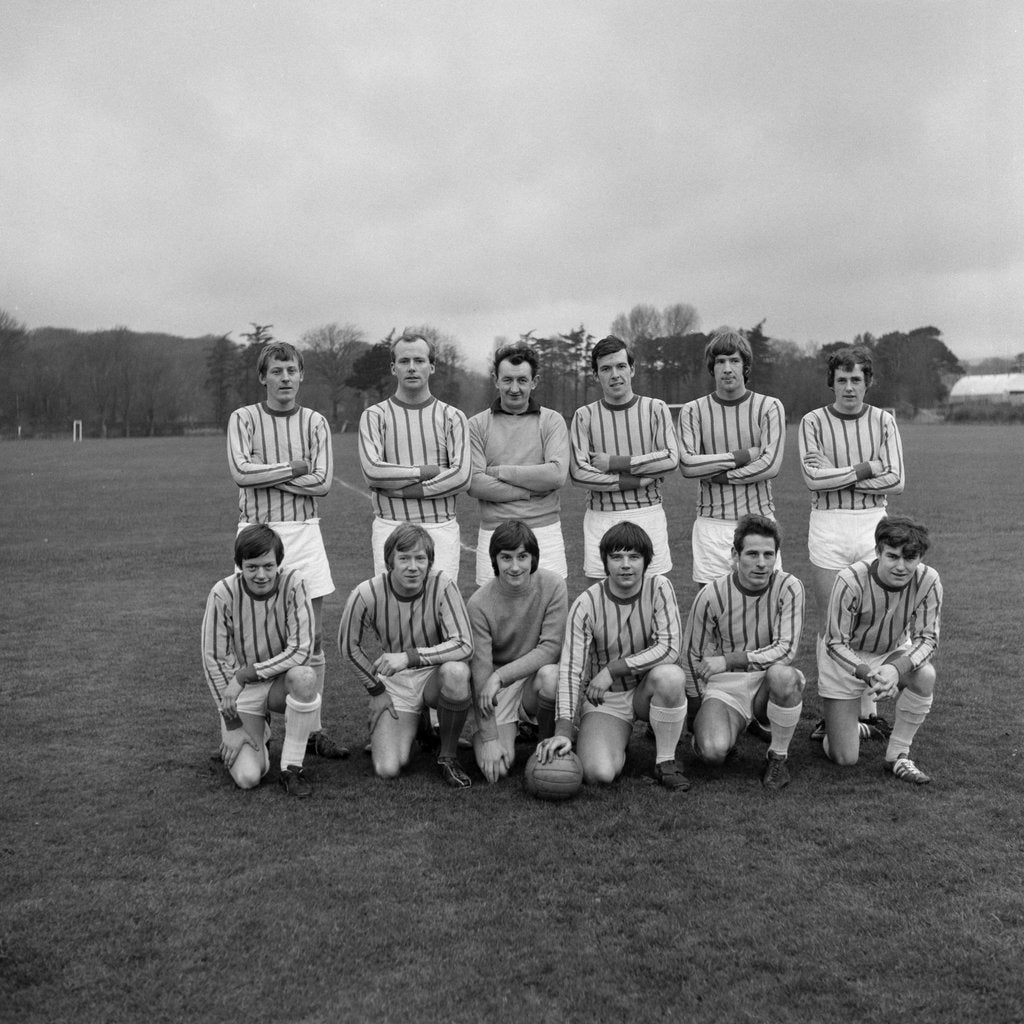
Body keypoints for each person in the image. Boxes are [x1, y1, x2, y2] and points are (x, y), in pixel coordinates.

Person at [227, 340, 347, 761]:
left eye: (291, 370)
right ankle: (258, 729)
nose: (285, 378)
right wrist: (296, 467)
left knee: (310, 637)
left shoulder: (315, 422)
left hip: (303, 532)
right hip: (257, 533)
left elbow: (324, 483)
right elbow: (240, 473)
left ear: (301, 375)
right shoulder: (243, 418)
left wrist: (266, 473)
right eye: (276, 371)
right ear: (263, 377)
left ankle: (311, 730)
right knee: (255, 638)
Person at [799, 346, 906, 738]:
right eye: (841, 380)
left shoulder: (882, 422)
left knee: (871, 616)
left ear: (868, 383)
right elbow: (812, 479)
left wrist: (839, 475)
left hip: (871, 524)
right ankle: (833, 711)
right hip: (827, 524)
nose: (848, 387)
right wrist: (866, 468)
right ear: (832, 382)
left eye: (856, 380)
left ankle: (867, 706)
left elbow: (896, 478)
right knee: (832, 623)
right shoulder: (812, 421)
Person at [535, 522, 689, 790]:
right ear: (605, 562)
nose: (626, 565)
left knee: (671, 676)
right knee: (598, 773)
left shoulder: (659, 587)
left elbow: (670, 647)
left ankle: (665, 761)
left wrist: (614, 669)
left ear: (646, 561)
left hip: (646, 690)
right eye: (617, 557)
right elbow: (570, 669)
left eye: (634, 557)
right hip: (606, 698)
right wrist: (563, 730)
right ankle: (610, 738)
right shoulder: (587, 603)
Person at [338, 523, 475, 788]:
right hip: (396, 681)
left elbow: (464, 644)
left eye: (420, 558)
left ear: (430, 562)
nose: (413, 567)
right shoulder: (366, 593)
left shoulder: (443, 585)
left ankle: (447, 756)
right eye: (404, 558)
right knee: (387, 768)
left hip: (434, 673)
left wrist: (410, 657)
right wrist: (377, 691)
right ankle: (419, 728)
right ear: (390, 561)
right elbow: (347, 647)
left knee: (457, 672)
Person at [683, 515, 806, 791]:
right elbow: (691, 656)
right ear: (735, 555)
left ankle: (778, 757)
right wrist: (695, 712)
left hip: (767, 682)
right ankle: (729, 727)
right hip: (725, 688)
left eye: (768, 554)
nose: (761, 563)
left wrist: (731, 659)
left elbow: (787, 649)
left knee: (784, 677)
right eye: (752, 554)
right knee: (712, 753)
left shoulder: (789, 586)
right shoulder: (711, 594)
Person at [201, 525, 322, 798]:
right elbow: (214, 658)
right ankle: (259, 736)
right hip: (241, 691)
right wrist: (231, 725)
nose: (261, 574)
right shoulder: (223, 593)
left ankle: (292, 767)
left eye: (268, 566)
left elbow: (301, 650)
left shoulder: (295, 583)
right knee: (248, 776)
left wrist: (246, 674)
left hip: (279, 683)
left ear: (278, 563)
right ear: (239, 564)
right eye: (252, 567)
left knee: (304, 676)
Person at [818, 515, 941, 785]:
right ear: (877, 552)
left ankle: (898, 755)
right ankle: (843, 726)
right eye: (893, 556)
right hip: (844, 657)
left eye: (910, 558)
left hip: (891, 653)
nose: (901, 566)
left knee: (925, 676)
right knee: (844, 758)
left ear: (919, 557)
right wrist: (868, 673)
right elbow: (834, 642)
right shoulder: (850, 580)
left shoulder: (929, 579)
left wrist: (895, 669)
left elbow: (927, 639)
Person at [358, 332, 471, 584]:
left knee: (439, 609)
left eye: (419, 361)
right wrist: (427, 472)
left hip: (439, 527)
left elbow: (462, 477)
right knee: (391, 612)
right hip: (390, 526)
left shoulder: (453, 417)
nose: (411, 368)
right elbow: (373, 472)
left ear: (431, 366)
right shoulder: (374, 416)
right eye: (404, 361)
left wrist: (406, 491)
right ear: (393, 368)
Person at [678, 328, 786, 585]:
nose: (727, 368)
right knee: (712, 611)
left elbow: (770, 465)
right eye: (720, 362)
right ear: (712, 368)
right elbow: (687, 466)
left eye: (734, 361)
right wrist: (745, 455)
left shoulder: (769, 406)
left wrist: (715, 472)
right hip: (711, 525)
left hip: (759, 525)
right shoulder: (693, 410)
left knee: (763, 611)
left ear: (745, 366)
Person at [569, 336, 679, 579]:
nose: (615, 374)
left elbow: (670, 459)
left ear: (632, 369)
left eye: (620, 366)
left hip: (647, 513)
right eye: (606, 369)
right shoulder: (583, 416)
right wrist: (634, 480)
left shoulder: (656, 408)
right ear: (596, 375)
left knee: (654, 598)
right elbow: (579, 473)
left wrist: (614, 463)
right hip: (601, 516)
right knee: (599, 600)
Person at [467, 520, 568, 783]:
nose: (514, 567)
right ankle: (503, 730)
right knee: (498, 770)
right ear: (494, 560)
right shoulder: (479, 603)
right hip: (495, 690)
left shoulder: (553, 585)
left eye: (522, 557)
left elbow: (551, 648)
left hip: (529, 680)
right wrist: (489, 739)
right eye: (506, 557)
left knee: (552, 676)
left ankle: (544, 741)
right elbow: (481, 674)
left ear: (533, 558)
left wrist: (501, 676)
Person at [468, 343, 570, 585]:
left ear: (534, 381)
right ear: (496, 380)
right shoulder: (476, 425)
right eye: (507, 380)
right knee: (493, 615)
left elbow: (556, 476)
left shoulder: (552, 421)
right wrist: (530, 489)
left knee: (550, 611)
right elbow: (474, 483)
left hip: (545, 531)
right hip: (494, 532)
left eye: (522, 380)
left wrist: (500, 472)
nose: (514, 389)